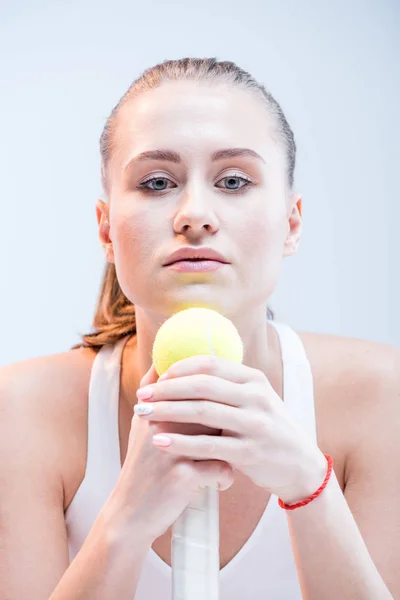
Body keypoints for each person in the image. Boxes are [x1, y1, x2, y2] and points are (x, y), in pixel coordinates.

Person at [0, 56, 398, 600]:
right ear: (106, 230)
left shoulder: (384, 397)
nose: (194, 213)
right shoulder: (20, 410)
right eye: (157, 182)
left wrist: (309, 486)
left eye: (233, 180)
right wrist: (126, 517)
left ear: (292, 222)